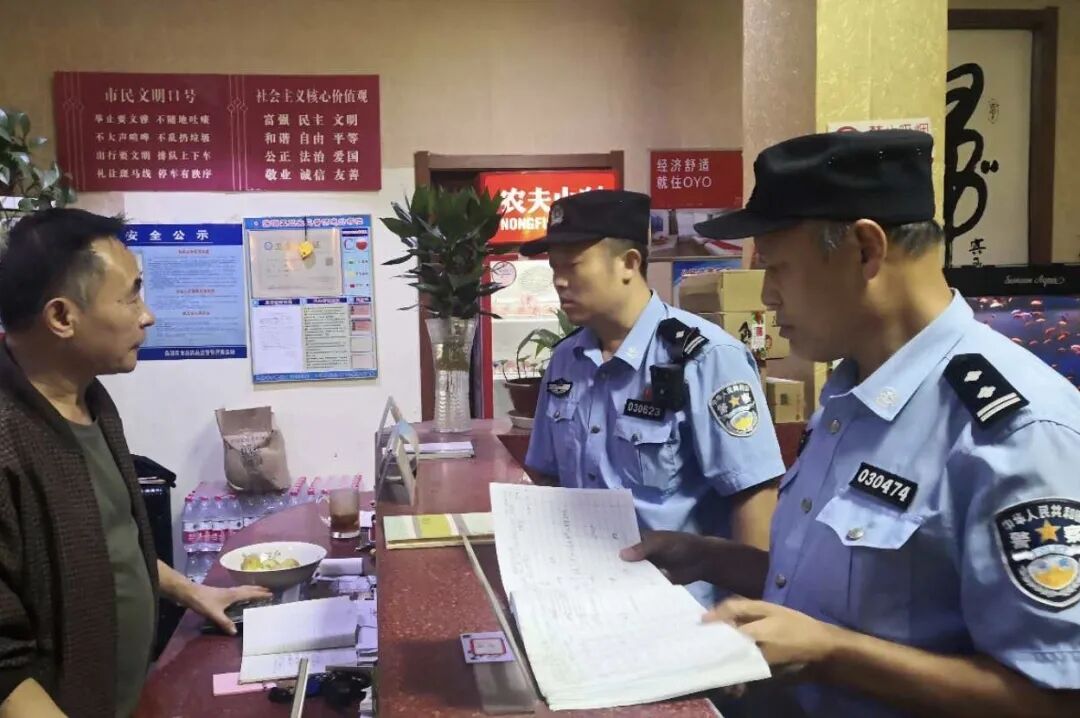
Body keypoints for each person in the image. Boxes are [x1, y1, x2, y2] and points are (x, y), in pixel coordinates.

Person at [622, 130, 1080, 717]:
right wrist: (710, 558)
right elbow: (843, 595)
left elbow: (1055, 696)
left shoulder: (1016, 431)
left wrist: (833, 655)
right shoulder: (850, 392)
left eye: (778, 267)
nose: (768, 296)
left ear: (866, 250)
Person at [0, 209, 270, 717]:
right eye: (131, 296)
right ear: (61, 318)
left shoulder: (90, 400)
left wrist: (193, 593)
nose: (147, 316)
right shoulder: (8, 436)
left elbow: (114, 541)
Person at [520, 189, 786, 606]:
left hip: (681, 608)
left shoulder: (707, 358)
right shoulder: (565, 361)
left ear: (629, 263)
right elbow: (548, 477)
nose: (559, 280)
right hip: (587, 600)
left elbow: (753, 496)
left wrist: (746, 624)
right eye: (554, 267)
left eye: (572, 264)